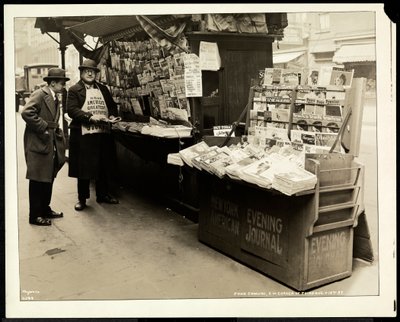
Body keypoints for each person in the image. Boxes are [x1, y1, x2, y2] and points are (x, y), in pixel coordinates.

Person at [66, 59, 119, 211]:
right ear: (81, 73)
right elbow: (72, 110)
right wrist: (89, 117)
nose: (90, 73)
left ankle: (103, 195)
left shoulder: (103, 89)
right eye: (86, 71)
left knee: (103, 164)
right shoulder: (74, 90)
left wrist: (112, 117)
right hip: (84, 134)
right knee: (83, 168)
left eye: (93, 71)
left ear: (96, 73)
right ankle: (82, 199)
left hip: (101, 133)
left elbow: (112, 107)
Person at [21, 68, 69, 226]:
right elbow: (27, 112)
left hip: (48, 141)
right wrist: (44, 127)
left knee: (48, 175)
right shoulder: (41, 94)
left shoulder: (54, 97)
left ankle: (44, 208)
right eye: (62, 83)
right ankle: (35, 215)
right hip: (39, 141)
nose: (63, 86)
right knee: (37, 178)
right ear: (53, 83)